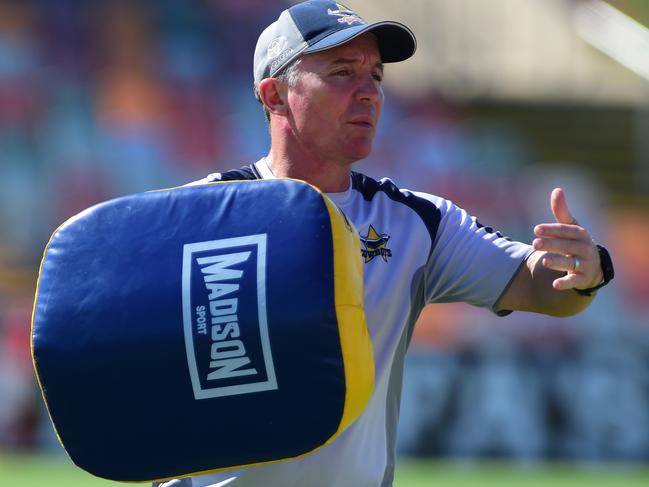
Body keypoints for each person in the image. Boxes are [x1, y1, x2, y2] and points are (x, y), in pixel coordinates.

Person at [157, 1, 614, 486]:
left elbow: (537, 286)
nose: (369, 92)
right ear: (275, 95)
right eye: (341, 71)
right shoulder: (194, 215)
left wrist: (585, 269)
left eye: (375, 74)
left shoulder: (417, 222)